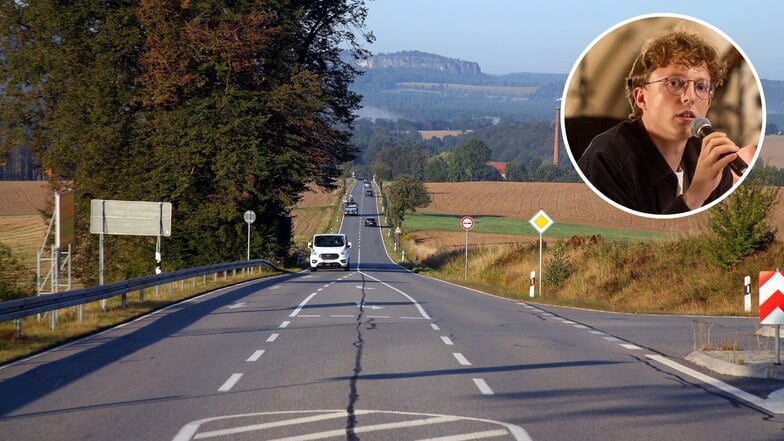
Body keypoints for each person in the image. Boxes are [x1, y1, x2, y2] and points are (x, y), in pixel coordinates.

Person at [577, 26, 756, 215]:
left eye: (702, 87)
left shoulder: (706, 156)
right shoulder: (607, 159)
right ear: (641, 98)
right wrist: (695, 195)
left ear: (709, 103)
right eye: (675, 83)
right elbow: (632, 232)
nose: (690, 97)